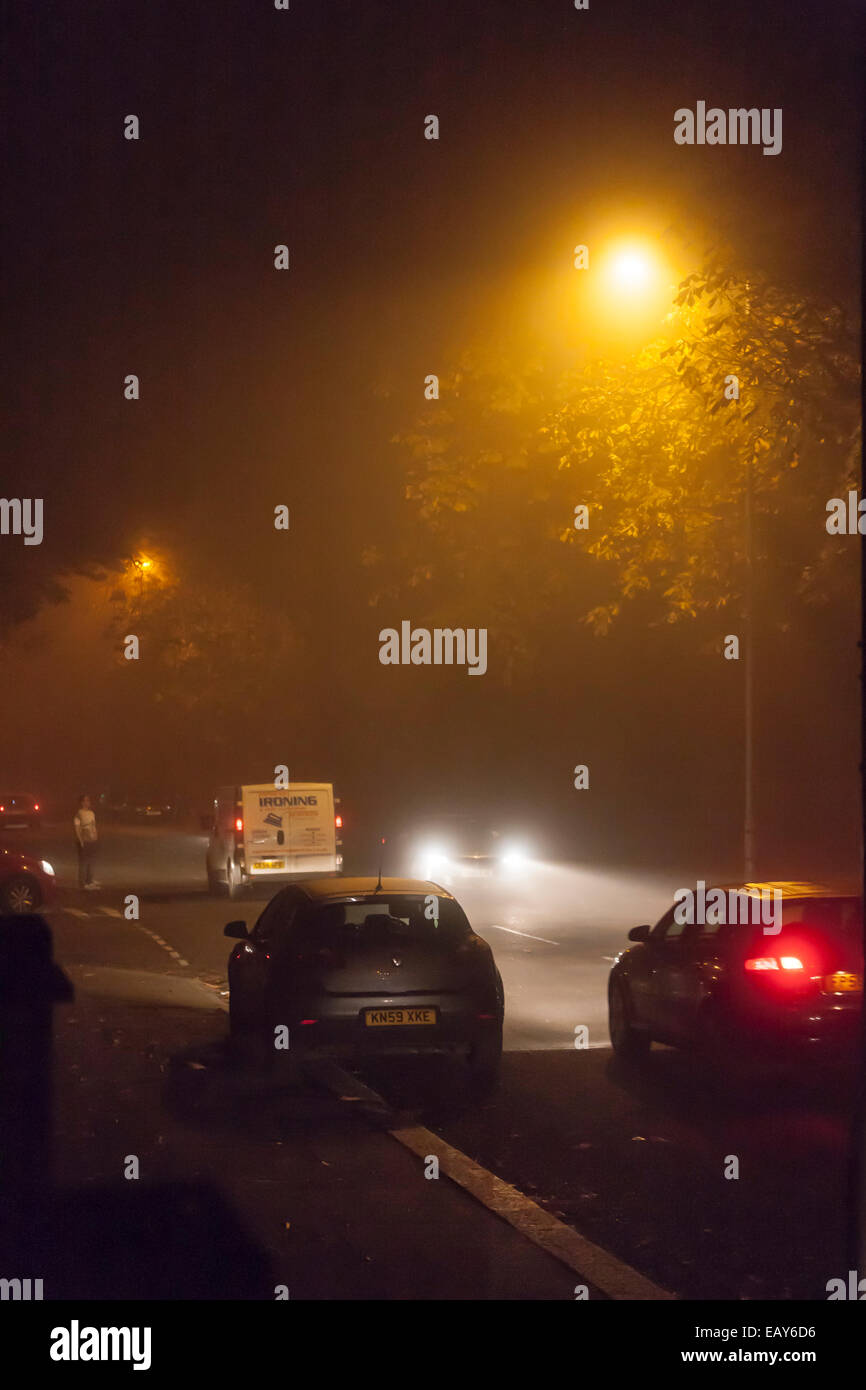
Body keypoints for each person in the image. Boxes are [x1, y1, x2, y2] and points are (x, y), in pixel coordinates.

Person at [73, 793, 101, 890]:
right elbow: (77, 827)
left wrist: (95, 835)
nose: (87, 802)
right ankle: (83, 883)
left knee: (91, 861)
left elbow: (93, 825)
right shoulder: (79, 813)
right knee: (83, 862)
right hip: (84, 839)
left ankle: (90, 880)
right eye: (84, 800)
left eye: (88, 800)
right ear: (81, 802)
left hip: (91, 839)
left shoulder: (91, 813)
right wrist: (80, 840)